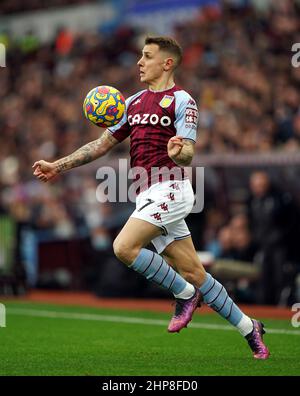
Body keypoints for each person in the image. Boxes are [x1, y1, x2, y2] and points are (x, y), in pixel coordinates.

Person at [32, 36, 269, 359]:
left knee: (123, 247)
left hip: (172, 188)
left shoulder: (183, 100)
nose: (140, 62)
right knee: (196, 273)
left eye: (147, 56)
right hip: (147, 194)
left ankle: (185, 296)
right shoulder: (133, 103)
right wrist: (57, 166)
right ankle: (248, 328)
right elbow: (100, 146)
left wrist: (179, 151)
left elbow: (187, 152)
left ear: (167, 63)